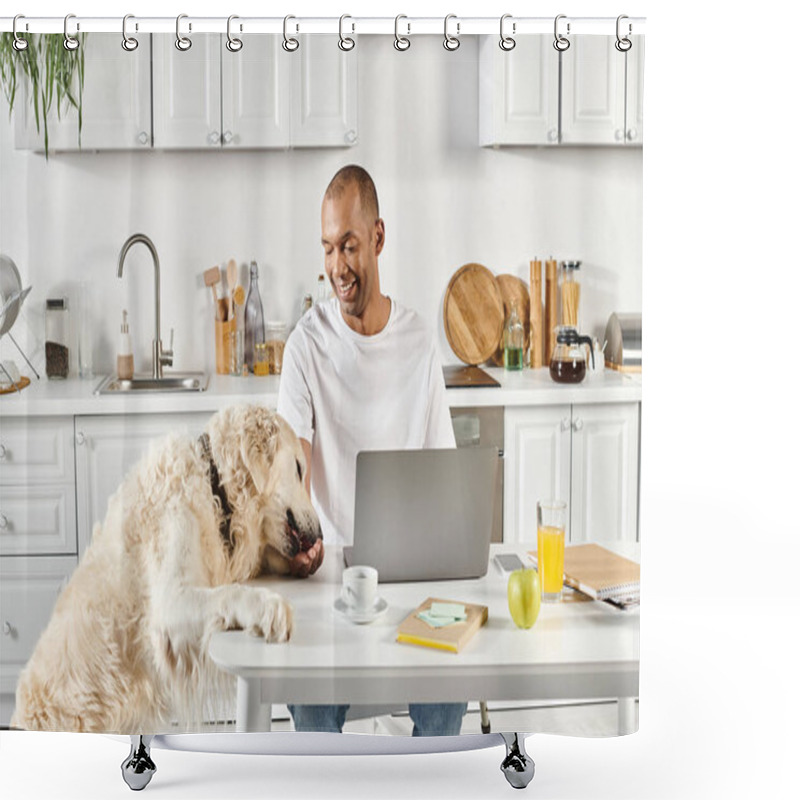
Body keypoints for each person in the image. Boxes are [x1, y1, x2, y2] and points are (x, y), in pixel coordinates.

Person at [277, 164, 466, 736]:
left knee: (448, 697)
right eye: (328, 249)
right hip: (331, 575)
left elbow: (445, 469)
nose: (337, 267)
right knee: (309, 704)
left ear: (378, 238)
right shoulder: (305, 347)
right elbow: (293, 471)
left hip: (411, 577)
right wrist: (299, 539)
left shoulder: (417, 340)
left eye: (349, 246)